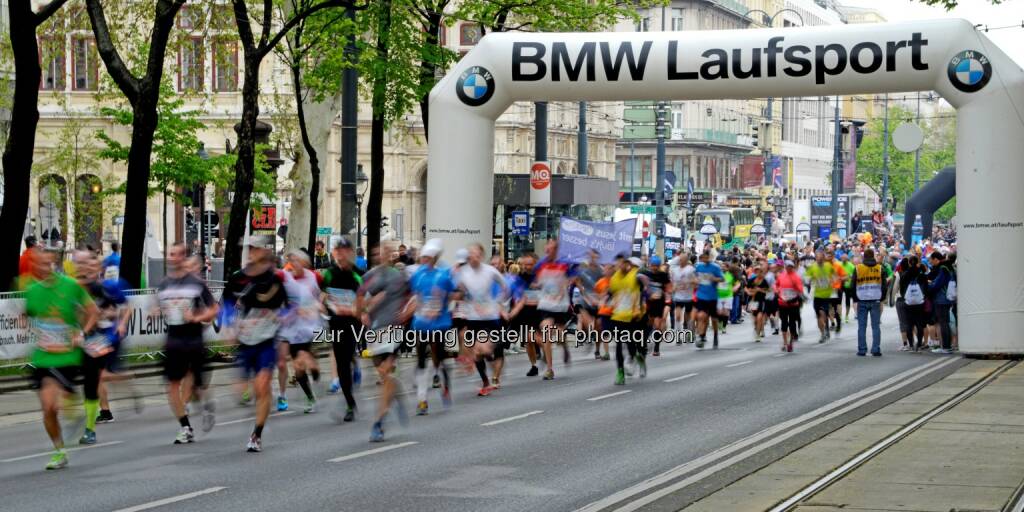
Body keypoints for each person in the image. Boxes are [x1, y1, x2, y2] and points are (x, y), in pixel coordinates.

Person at [26, 247, 98, 469]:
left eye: (47, 264)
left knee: (53, 405)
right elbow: (28, 315)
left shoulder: (71, 286)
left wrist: (82, 332)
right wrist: (33, 327)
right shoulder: (32, 290)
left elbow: (92, 310)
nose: (43, 268)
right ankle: (59, 451)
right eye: (38, 264)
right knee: (48, 408)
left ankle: (72, 407)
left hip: (67, 356)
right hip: (43, 357)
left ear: (54, 264)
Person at [224, 235, 288, 452]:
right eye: (249, 249)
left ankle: (256, 434)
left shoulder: (276, 279)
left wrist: (281, 318)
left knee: (262, 385)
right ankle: (252, 391)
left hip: (265, 341)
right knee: (242, 390)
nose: (251, 252)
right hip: (244, 341)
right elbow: (225, 304)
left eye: (255, 248)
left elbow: (288, 307)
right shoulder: (238, 278)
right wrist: (228, 326)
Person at [157, 242, 219, 443]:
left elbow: (214, 309)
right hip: (173, 340)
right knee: (172, 385)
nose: (171, 257)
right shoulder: (164, 284)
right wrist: (156, 312)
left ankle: (206, 405)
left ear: (182, 256)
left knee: (197, 385)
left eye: (175, 254)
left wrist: (196, 316)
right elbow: (159, 307)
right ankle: (185, 427)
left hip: (193, 340)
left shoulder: (196, 283)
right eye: (169, 254)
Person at [358, 241, 412, 442]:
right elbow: (360, 297)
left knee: (386, 374)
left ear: (393, 256)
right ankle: (398, 396)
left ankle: (379, 423)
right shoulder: (369, 276)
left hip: (394, 330)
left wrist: (406, 314)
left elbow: (415, 298)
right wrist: (364, 311)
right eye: (381, 251)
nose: (385, 255)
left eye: (389, 252)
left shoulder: (399, 277)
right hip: (375, 331)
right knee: (383, 375)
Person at [408, 239, 455, 416]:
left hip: (439, 324)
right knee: (420, 360)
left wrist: (441, 304)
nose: (424, 260)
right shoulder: (417, 275)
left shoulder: (443, 275)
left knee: (439, 357)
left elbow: (454, 294)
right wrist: (414, 308)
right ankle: (422, 400)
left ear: (434, 258)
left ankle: (445, 385)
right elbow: (414, 296)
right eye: (423, 257)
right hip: (420, 323)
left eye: (427, 257)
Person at [454, 243, 507, 396]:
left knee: (480, 349)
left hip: (490, 319)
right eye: (471, 254)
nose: (473, 257)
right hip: (473, 319)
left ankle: (490, 358)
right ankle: (485, 381)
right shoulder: (463, 272)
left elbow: (505, 287)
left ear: (482, 256)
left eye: (476, 254)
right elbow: (457, 290)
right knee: (477, 354)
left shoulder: (490, 271)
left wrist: (498, 303)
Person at [320, 237, 363, 423]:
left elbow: (365, 302)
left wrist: (355, 309)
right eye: (337, 251)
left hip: (353, 324)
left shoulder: (358, 275)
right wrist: (322, 304)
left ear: (351, 253)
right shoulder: (329, 274)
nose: (340, 254)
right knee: (342, 364)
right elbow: (322, 294)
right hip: (335, 324)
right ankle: (350, 402)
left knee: (346, 358)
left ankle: (350, 402)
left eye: (344, 251)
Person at [278, 249, 323, 414]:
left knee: (303, 359)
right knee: (298, 369)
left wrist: (318, 306)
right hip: (293, 328)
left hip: (310, 327)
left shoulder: (314, 277)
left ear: (304, 262)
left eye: (296, 260)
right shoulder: (285, 277)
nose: (293, 264)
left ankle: (316, 377)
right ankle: (311, 398)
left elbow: (325, 293)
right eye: (291, 261)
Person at [532, 239, 575, 380]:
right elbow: (534, 281)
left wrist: (567, 282)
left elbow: (573, 277)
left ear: (556, 250)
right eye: (546, 249)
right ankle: (550, 369)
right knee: (546, 331)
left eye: (550, 249)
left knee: (559, 334)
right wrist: (535, 285)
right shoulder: (540, 264)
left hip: (561, 305)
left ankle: (564, 347)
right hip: (546, 304)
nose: (547, 252)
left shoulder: (564, 263)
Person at [609, 255, 648, 385]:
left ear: (627, 264)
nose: (619, 266)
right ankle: (620, 372)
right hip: (618, 317)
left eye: (621, 263)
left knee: (631, 344)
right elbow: (610, 294)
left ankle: (637, 356)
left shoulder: (636, 275)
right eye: (617, 264)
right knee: (619, 345)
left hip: (633, 317)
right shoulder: (615, 278)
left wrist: (647, 286)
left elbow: (644, 278)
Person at [852, 248, 886, 357]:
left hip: (861, 299)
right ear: (873, 256)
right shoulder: (880, 268)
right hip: (876, 299)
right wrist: (882, 298)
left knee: (861, 326)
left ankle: (862, 350)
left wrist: (855, 299)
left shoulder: (858, 268)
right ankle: (876, 349)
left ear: (864, 257)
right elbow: (884, 286)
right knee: (876, 326)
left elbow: (852, 285)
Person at [805, 251, 838, 343]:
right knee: (819, 315)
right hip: (816, 295)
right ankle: (823, 332)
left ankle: (825, 330)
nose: (819, 259)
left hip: (826, 295)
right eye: (817, 257)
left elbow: (835, 276)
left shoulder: (828, 266)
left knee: (823, 313)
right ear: (815, 258)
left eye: (820, 258)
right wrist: (811, 278)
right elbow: (806, 279)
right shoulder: (812, 267)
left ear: (823, 258)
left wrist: (832, 281)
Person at [693, 250, 724, 348]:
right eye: (703, 257)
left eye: (707, 257)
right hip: (701, 295)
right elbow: (694, 277)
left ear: (710, 257)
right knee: (702, 316)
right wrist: (695, 281)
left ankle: (715, 336)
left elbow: (722, 279)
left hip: (712, 297)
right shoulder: (699, 267)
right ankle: (701, 336)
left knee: (714, 319)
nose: (705, 259)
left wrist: (714, 279)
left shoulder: (715, 267)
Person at [898, 255, 928, 352]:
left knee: (909, 324)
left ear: (909, 263)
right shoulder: (921, 273)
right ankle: (919, 345)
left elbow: (902, 289)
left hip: (908, 302)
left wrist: (906, 297)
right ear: (917, 262)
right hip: (919, 302)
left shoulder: (905, 274)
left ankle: (911, 345)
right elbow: (926, 287)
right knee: (919, 324)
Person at [927, 251, 956, 354]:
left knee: (943, 322)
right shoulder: (949, 267)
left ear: (936, 259)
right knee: (946, 322)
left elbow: (937, 284)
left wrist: (929, 285)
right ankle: (947, 346)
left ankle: (946, 347)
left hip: (941, 298)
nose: (930, 262)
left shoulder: (943, 268)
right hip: (947, 297)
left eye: (931, 260)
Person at [641, 256, 670, 356]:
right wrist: (647, 295)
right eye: (653, 266)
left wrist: (667, 296)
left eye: (656, 266)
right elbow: (641, 288)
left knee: (657, 325)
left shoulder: (663, 275)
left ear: (659, 266)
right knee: (648, 324)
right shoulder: (645, 274)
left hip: (659, 303)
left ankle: (656, 348)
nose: (654, 268)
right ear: (649, 265)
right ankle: (644, 345)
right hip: (648, 303)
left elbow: (668, 288)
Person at [775, 260, 802, 352]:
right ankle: (785, 343)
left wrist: (796, 287)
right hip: (782, 303)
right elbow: (776, 285)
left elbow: (800, 290)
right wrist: (778, 291)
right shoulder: (781, 276)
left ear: (793, 267)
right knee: (784, 324)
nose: (789, 268)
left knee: (792, 324)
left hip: (793, 304)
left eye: (791, 266)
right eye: (787, 266)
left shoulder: (796, 277)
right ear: (785, 267)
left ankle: (790, 343)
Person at [670, 253, 696, 342]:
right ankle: (678, 336)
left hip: (688, 297)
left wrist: (688, 282)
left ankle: (689, 333)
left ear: (686, 260)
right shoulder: (675, 270)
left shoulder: (691, 269)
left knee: (688, 317)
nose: (680, 261)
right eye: (679, 259)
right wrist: (674, 288)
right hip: (678, 297)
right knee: (677, 316)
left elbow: (696, 282)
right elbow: (673, 284)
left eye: (682, 259)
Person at [839, 252, 856, 323]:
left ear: (847, 259)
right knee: (838, 301)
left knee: (847, 301)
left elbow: (854, 275)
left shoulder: (851, 266)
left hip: (848, 286)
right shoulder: (839, 265)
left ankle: (846, 315)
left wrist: (849, 277)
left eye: (844, 258)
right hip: (840, 285)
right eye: (842, 258)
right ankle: (839, 316)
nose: (843, 260)